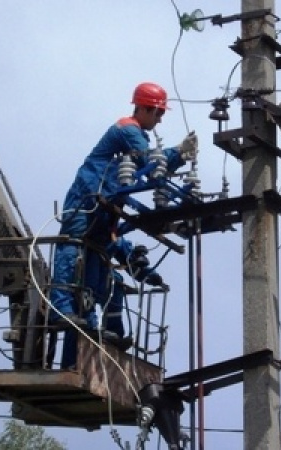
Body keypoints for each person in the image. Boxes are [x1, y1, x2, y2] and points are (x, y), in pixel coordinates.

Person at [49, 82, 198, 368]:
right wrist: (179, 152)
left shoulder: (128, 153)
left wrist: (145, 272)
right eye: (156, 111)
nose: (159, 118)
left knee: (99, 279)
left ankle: (90, 343)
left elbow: (119, 244)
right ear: (141, 107)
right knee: (71, 250)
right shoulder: (127, 129)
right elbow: (149, 160)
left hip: (105, 209)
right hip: (87, 199)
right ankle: (61, 308)